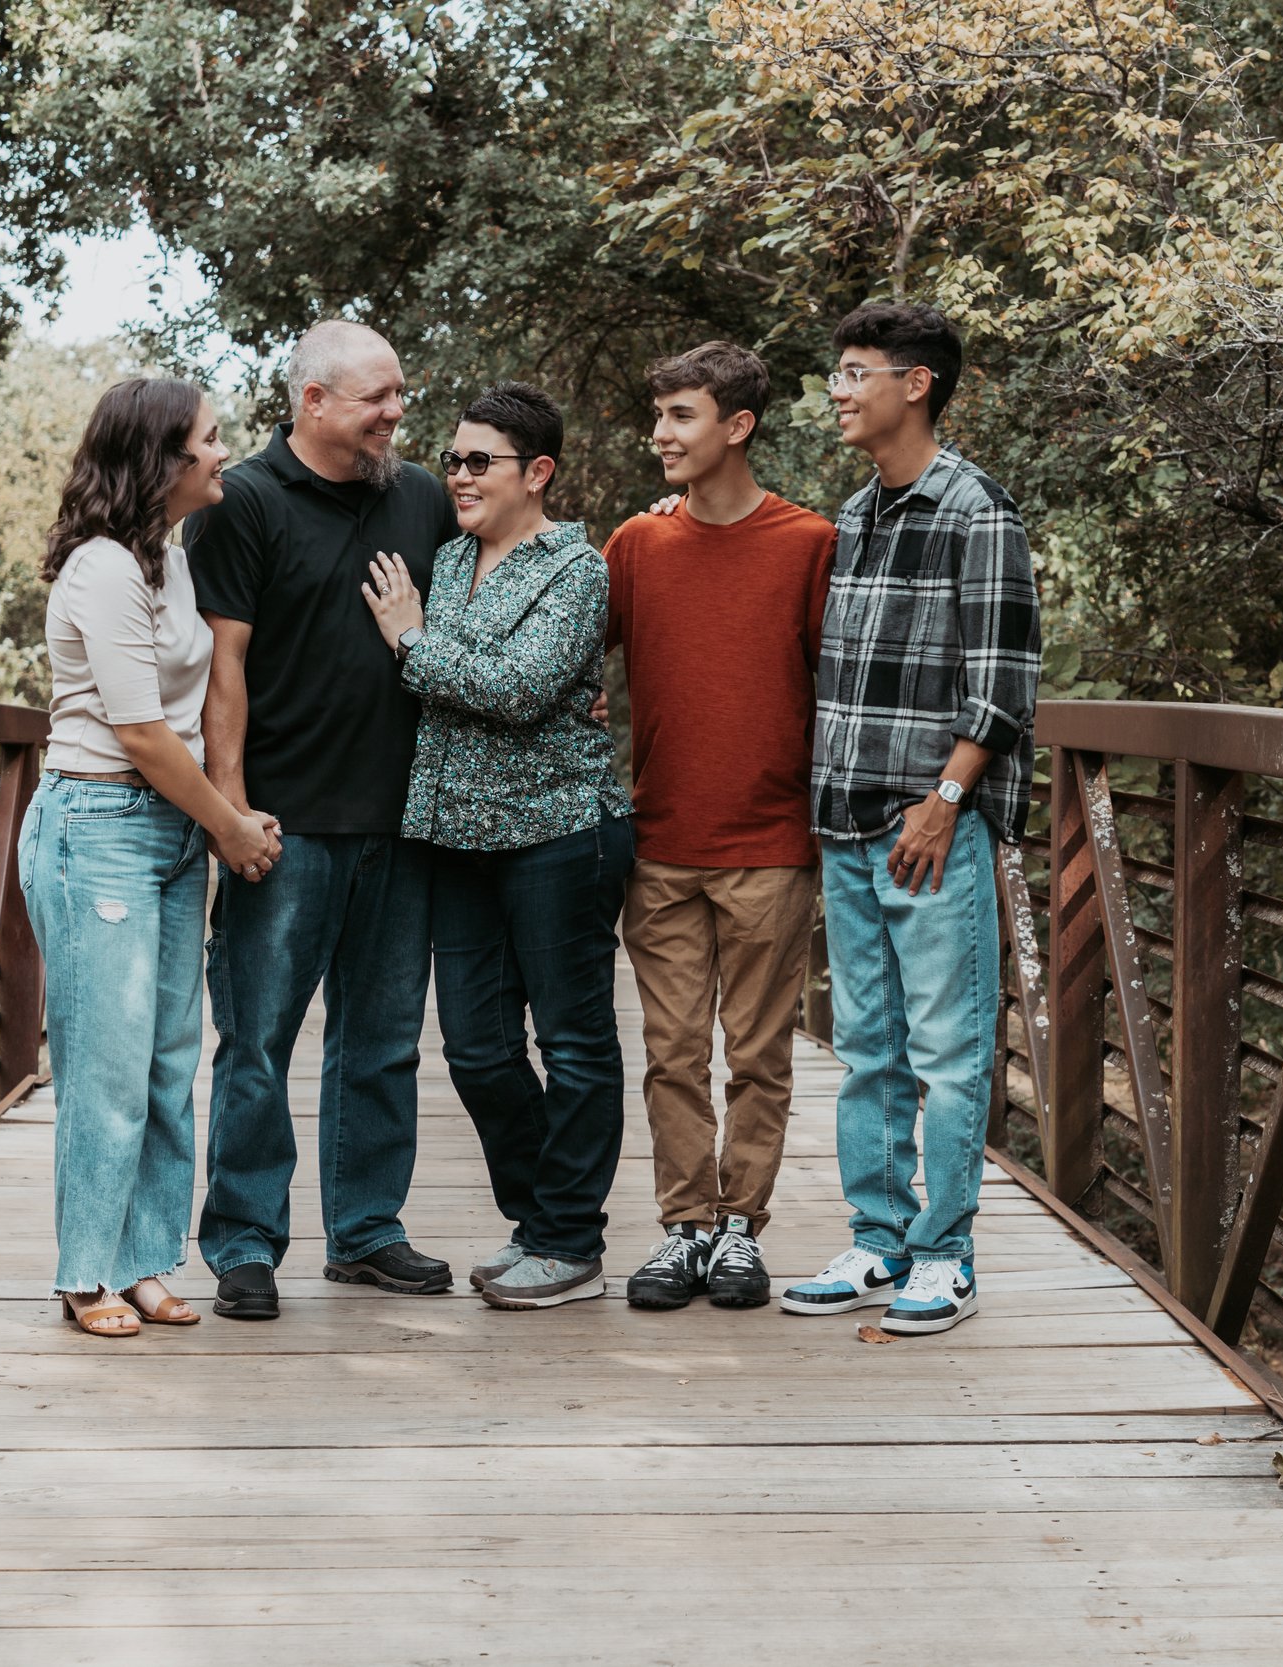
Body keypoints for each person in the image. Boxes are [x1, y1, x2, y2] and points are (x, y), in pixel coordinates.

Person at [776, 302, 1040, 1338]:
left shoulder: (976, 511)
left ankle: (946, 1253)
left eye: (853, 372)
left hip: (927, 824)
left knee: (948, 1045)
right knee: (868, 1044)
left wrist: (945, 801)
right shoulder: (854, 514)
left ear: (914, 383)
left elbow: (1004, 685)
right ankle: (878, 1237)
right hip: (844, 821)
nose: (837, 390)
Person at [187, 321, 460, 1320]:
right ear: (312, 400)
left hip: (400, 822)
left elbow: (506, 564)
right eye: (376, 398)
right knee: (256, 1040)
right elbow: (224, 666)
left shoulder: (421, 494)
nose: (395, 413)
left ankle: (366, 1230)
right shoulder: (243, 502)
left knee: (383, 1040)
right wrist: (228, 809)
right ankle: (245, 1242)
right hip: (283, 826)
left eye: (398, 396)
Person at [358, 382, 634, 1310]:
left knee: (575, 1044)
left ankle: (568, 1240)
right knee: (476, 1051)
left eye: (482, 461)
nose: (462, 475)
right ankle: (540, 1223)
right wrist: (424, 642)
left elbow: (518, 689)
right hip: (457, 839)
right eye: (455, 460)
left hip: (561, 833)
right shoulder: (443, 559)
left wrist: (411, 644)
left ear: (539, 472)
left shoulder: (576, 568)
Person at [21, 377, 284, 1338]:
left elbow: (197, 700)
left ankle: (142, 1260)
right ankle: (83, 1271)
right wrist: (234, 826)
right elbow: (138, 731)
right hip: (98, 831)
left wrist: (223, 816)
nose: (225, 453)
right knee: (107, 1065)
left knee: (170, 1060)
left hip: (169, 834)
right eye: (211, 441)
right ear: (163, 461)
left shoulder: (166, 558)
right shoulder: (100, 568)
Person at [603, 343, 835, 1312]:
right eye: (657, 415)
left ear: (736, 426)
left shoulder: (808, 542)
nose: (661, 433)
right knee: (668, 1049)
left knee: (757, 1052)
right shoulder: (636, 544)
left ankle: (741, 1228)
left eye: (681, 415)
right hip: (659, 840)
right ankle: (682, 1227)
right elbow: (578, 670)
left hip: (771, 844)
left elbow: (842, 692)